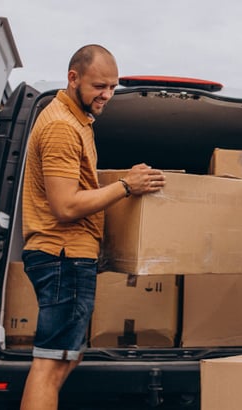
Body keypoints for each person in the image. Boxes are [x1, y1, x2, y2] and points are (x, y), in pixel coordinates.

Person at [20, 44, 166, 410]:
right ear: (73, 78)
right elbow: (66, 204)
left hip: (69, 256)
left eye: (113, 87)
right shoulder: (60, 127)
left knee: (66, 357)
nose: (108, 95)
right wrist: (126, 186)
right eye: (100, 86)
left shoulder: (77, 122)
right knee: (50, 364)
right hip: (61, 255)